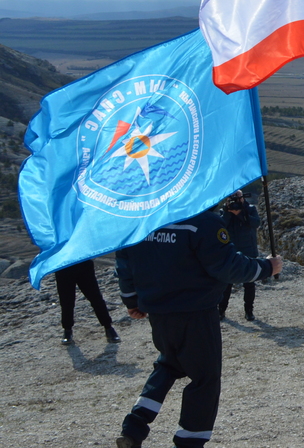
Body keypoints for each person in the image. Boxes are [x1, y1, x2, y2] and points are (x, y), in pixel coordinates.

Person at [114, 207, 282, 448]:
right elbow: (228, 267)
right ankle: (189, 443)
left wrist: (131, 300)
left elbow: (124, 261)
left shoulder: (144, 219)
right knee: (205, 379)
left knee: (168, 364)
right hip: (196, 314)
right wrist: (267, 268)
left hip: (159, 313)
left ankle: (134, 426)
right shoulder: (202, 222)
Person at [217, 189, 261, 321]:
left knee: (249, 283)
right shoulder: (224, 211)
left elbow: (255, 223)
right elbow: (221, 226)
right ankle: (221, 310)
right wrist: (229, 212)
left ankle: (249, 311)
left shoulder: (250, 209)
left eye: (238, 198)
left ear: (243, 198)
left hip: (249, 250)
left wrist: (241, 213)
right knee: (226, 284)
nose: (236, 201)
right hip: (231, 251)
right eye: (233, 198)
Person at [55, 258, 120, 344]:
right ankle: (67, 330)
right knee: (66, 301)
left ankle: (108, 327)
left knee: (96, 298)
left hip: (83, 264)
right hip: (63, 266)